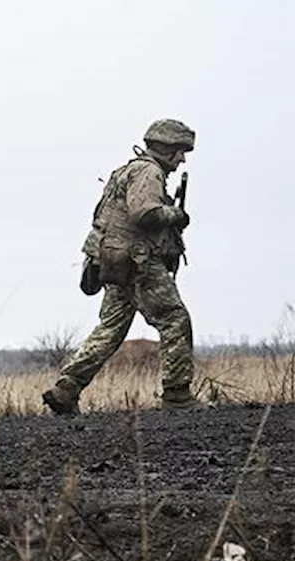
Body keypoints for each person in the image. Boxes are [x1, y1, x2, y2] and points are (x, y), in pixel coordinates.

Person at [42, 119, 200, 416]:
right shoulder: (148, 172)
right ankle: (178, 395)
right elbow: (144, 213)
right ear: (166, 149)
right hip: (138, 264)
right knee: (175, 319)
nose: (182, 159)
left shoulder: (126, 170)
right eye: (179, 151)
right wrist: (176, 215)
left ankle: (66, 388)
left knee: (110, 329)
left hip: (116, 264)